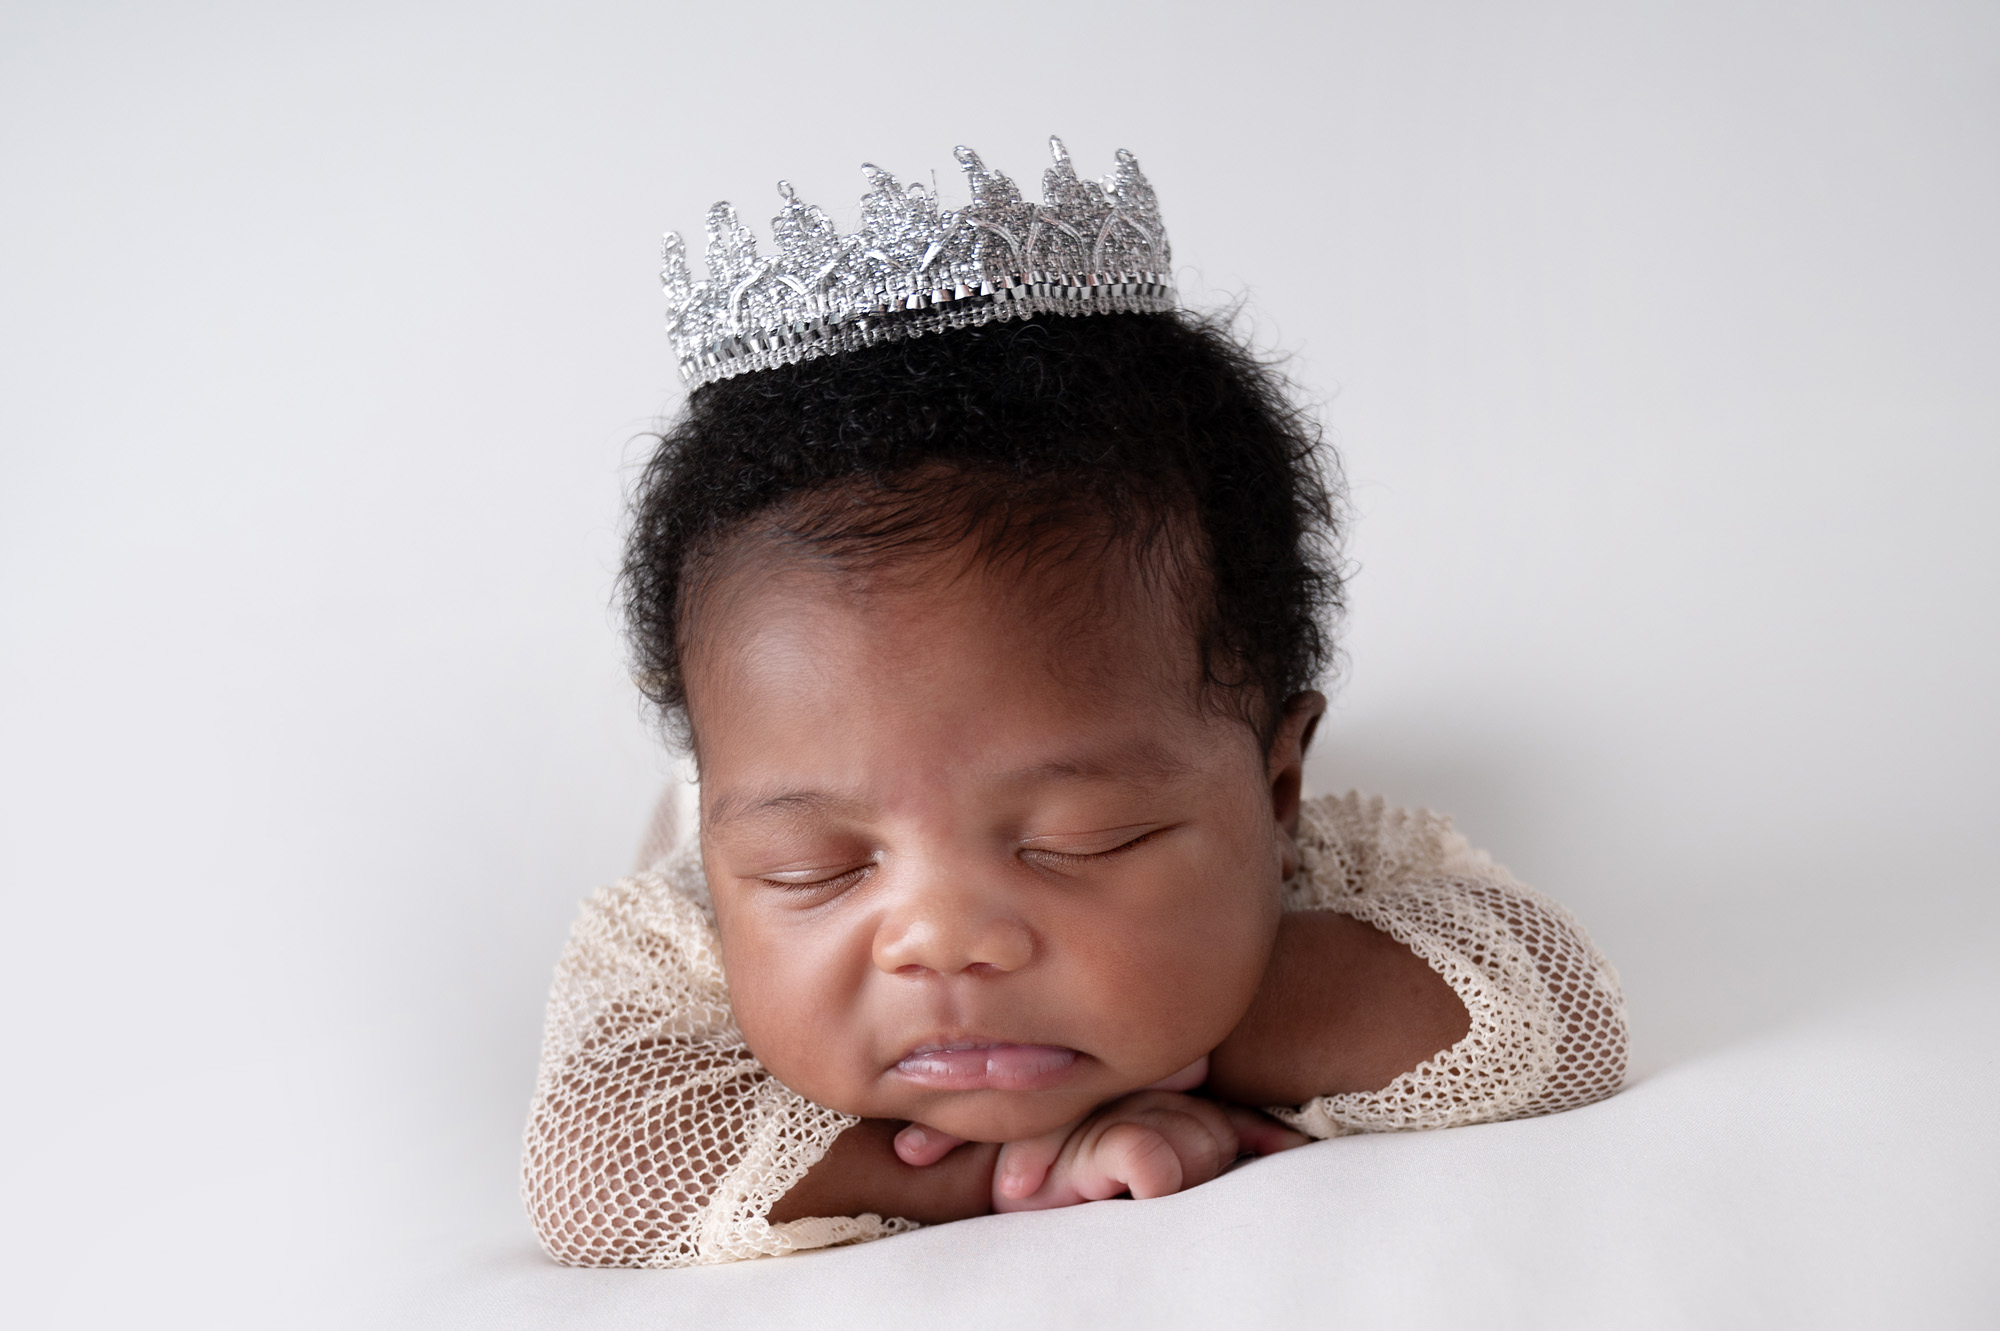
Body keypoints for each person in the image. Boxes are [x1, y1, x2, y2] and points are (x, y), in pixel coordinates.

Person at [521, 140, 1629, 1268]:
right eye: (815, 867)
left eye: (1077, 841)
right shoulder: (688, 940)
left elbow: (1559, 1010)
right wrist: (1001, 1166)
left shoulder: (1310, 873)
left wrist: (1198, 1008)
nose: (942, 938)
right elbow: (592, 1170)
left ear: (1277, 792)